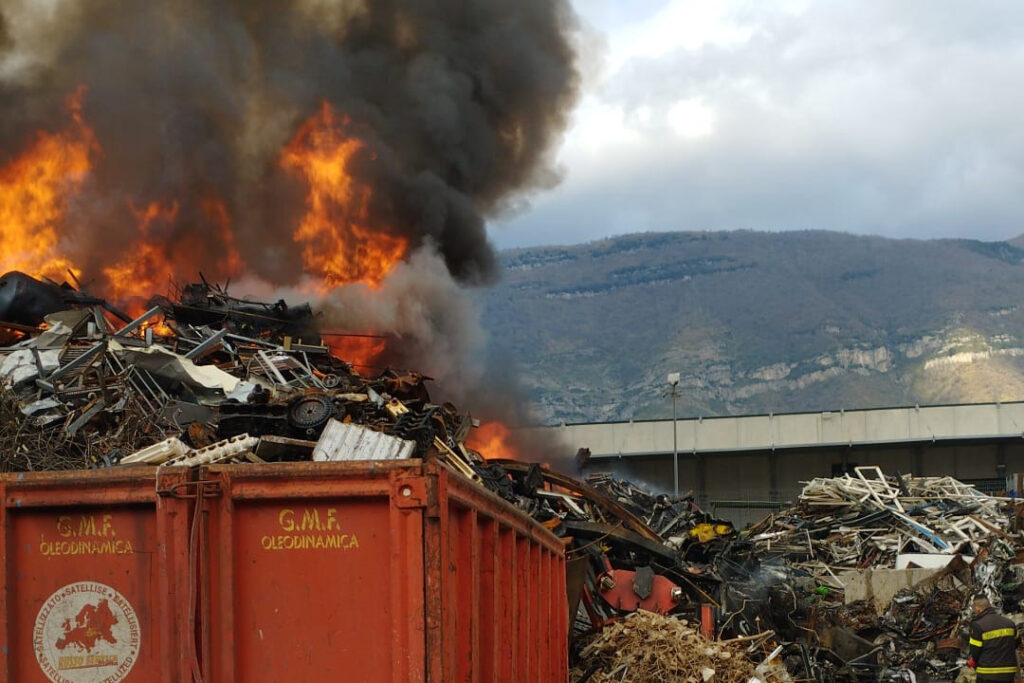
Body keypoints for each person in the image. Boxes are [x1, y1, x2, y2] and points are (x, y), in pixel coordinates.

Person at [967, 596, 1019, 683]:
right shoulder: (1009, 623)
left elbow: (975, 651)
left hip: (987, 673)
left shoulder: (978, 625)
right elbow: (1017, 642)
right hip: (1008, 673)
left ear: (977, 609)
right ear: (990, 605)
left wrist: (972, 662)